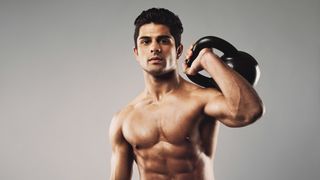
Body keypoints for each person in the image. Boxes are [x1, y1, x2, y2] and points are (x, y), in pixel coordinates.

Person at [109, 8, 264, 180]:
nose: (154, 48)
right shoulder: (124, 120)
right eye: (146, 41)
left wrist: (207, 58)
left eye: (164, 40)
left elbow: (250, 111)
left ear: (179, 50)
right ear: (136, 53)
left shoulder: (201, 99)